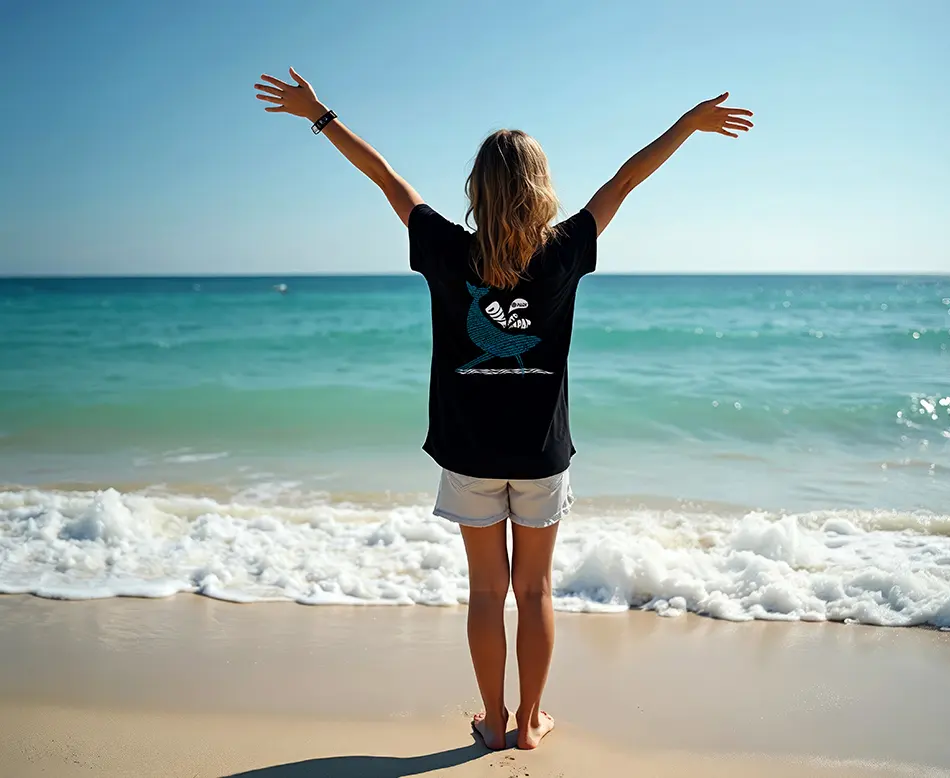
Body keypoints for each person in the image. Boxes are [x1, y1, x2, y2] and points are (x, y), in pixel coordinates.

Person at [255, 68, 752, 750]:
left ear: (477, 190)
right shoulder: (565, 251)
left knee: (487, 592)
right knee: (536, 592)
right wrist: (687, 126)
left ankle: (492, 719)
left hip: (469, 455)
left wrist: (320, 116)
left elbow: (386, 179)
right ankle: (529, 722)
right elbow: (626, 180)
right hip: (541, 456)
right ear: (540, 188)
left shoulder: (444, 248)